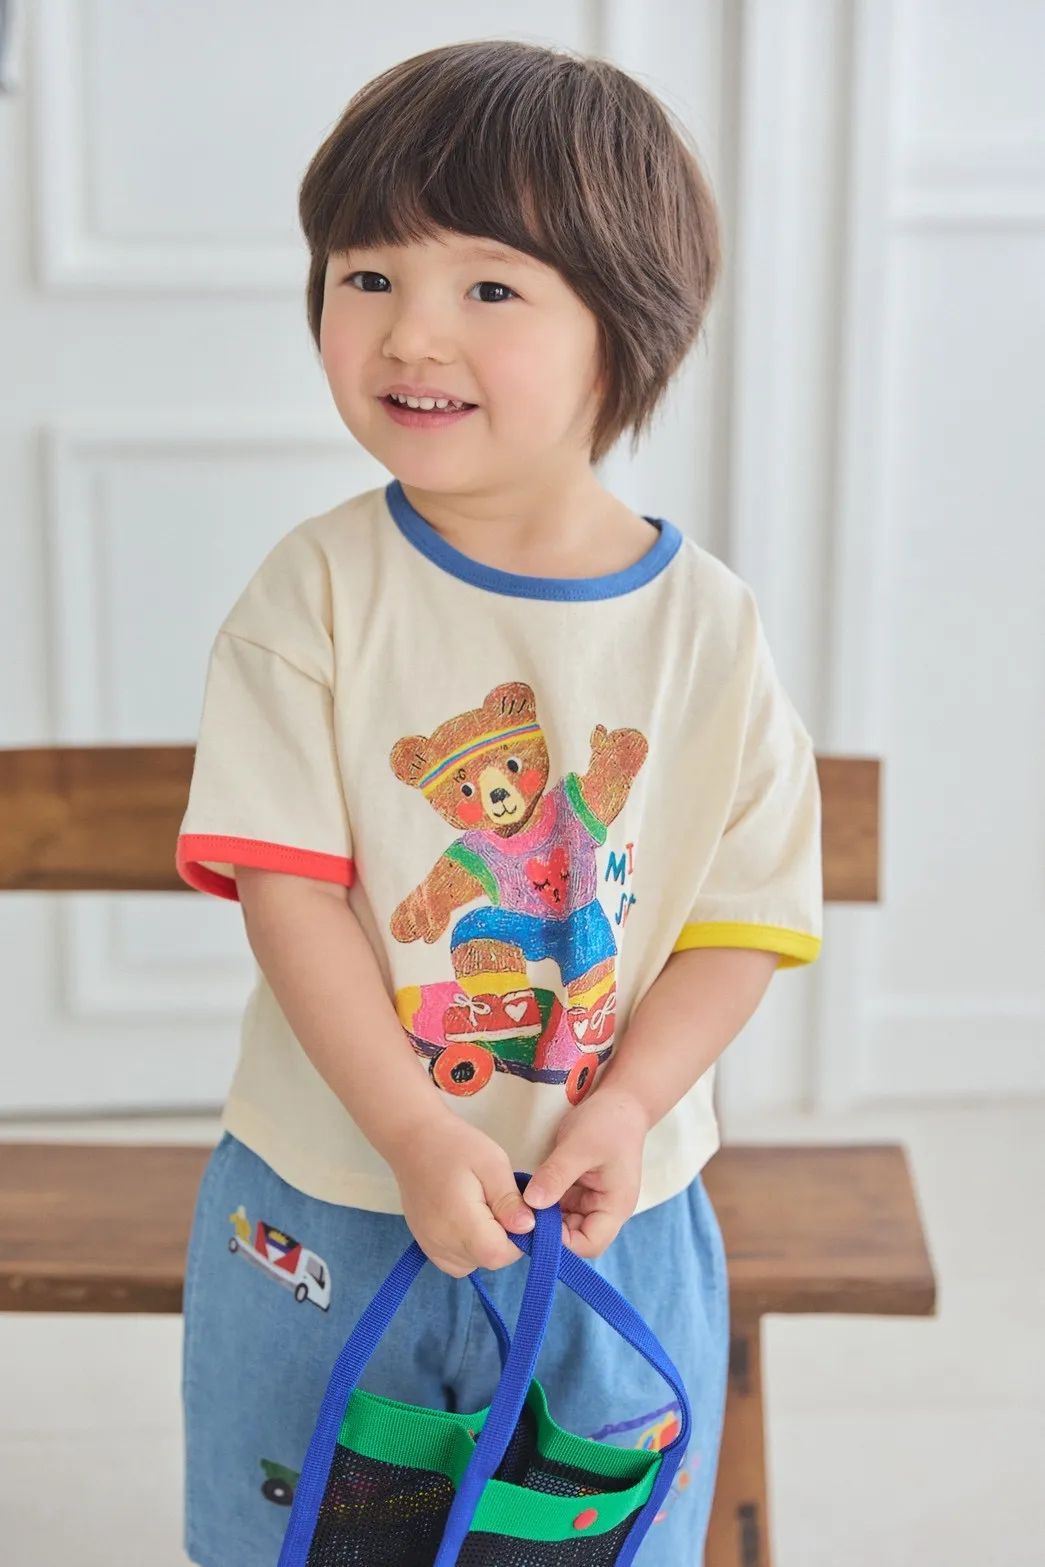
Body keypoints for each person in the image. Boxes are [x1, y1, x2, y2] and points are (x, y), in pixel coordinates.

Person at [176, 38, 822, 1567]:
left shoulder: (710, 630)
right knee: (306, 1530)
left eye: (487, 286)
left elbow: (740, 921)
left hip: (613, 1211)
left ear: (624, 330)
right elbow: (291, 892)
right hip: (333, 1197)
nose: (410, 331)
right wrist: (411, 1125)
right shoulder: (316, 595)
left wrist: (630, 1102)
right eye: (366, 274)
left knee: (592, 1531)